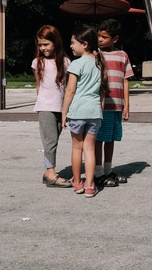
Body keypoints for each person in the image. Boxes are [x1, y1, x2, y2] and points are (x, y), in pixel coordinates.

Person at [61, 25, 108, 198]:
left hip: (78, 111)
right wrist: (99, 111)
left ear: (85, 44)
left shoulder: (76, 64)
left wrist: (64, 112)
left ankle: (77, 182)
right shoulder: (99, 63)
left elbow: (70, 91)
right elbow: (102, 91)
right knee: (89, 149)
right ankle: (90, 185)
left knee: (76, 148)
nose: (71, 46)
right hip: (94, 112)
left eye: (73, 43)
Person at [32, 25, 72, 188]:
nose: (43, 48)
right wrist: (42, 103)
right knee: (50, 141)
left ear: (55, 42)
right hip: (46, 107)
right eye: (40, 45)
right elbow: (38, 85)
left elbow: (69, 88)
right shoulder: (38, 62)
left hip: (60, 108)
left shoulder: (66, 61)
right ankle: (51, 173)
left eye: (46, 44)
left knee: (53, 141)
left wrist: (67, 109)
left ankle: (47, 172)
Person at [95, 19, 134, 187]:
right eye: (99, 36)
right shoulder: (96, 55)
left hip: (116, 105)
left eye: (104, 37)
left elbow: (126, 80)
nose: (100, 40)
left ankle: (108, 169)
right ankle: (97, 173)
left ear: (115, 39)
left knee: (110, 138)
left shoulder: (122, 56)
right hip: (100, 105)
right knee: (98, 139)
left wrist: (126, 104)